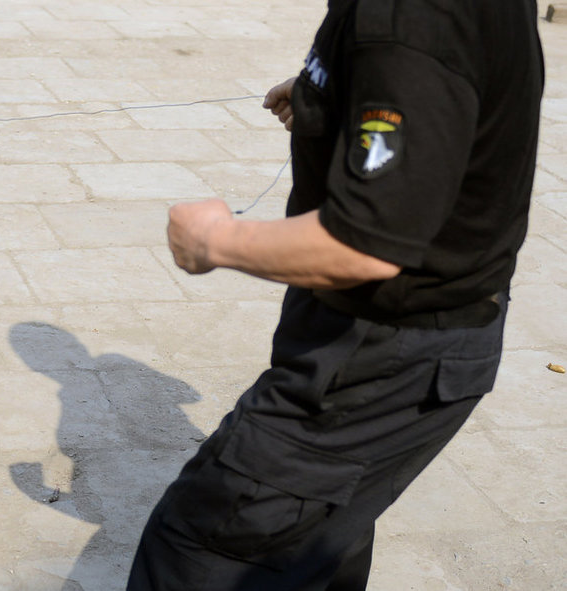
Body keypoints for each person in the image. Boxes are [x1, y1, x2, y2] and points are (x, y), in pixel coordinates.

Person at [127, 0, 544, 589]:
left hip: (379, 355)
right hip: (393, 336)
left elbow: (368, 243)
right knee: (317, 544)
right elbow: (444, 87)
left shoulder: (407, 23)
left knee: (202, 548)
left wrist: (214, 241)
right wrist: (334, 91)